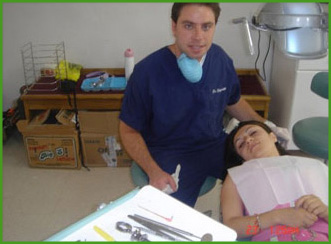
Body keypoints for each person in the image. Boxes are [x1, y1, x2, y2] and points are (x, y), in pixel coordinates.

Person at [119, 3, 286, 207]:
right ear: (174, 26)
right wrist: (154, 172)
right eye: (189, 26)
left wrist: (267, 126)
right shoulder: (147, 73)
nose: (198, 37)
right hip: (169, 153)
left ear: (214, 27)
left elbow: (233, 102)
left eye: (206, 26)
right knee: (167, 215)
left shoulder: (220, 60)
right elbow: (128, 130)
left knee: (266, 177)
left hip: (216, 145)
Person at [221, 120, 328, 241]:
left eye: (253, 133)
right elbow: (232, 228)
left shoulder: (313, 166)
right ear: (242, 159)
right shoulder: (236, 177)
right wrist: (277, 217)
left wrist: (325, 211)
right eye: (241, 144)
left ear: (273, 136)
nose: (248, 140)